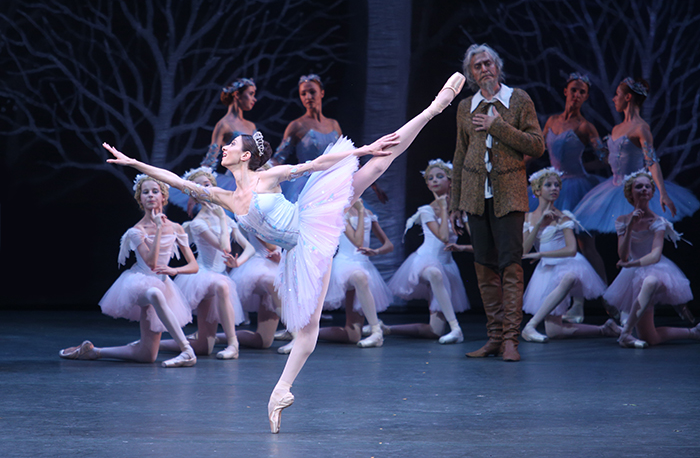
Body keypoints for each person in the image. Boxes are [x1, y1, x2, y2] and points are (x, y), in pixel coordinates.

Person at [102, 71, 465, 433]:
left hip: (311, 219)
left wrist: (361, 150)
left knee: (378, 163)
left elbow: (312, 166)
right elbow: (177, 180)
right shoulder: (225, 196)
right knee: (306, 332)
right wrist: (133, 162)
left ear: (245, 156)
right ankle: (280, 393)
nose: (224, 148)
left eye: (231, 145)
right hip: (298, 251)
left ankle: (434, 107)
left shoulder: (266, 177)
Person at [450, 43, 545, 362]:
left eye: (488, 63)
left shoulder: (518, 100)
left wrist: (498, 126)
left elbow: (537, 145)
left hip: (509, 195)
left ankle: (510, 341)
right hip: (476, 197)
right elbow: (460, 155)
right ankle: (493, 336)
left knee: (510, 266)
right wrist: (455, 202)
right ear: (471, 74)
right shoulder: (466, 106)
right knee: (484, 267)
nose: (484, 69)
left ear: (498, 66)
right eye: (477, 66)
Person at [59, 176, 199, 367]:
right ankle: (187, 350)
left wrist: (174, 269)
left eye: (155, 191)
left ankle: (92, 352)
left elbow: (193, 265)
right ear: (140, 199)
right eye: (145, 192)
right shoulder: (136, 230)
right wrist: (158, 228)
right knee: (154, 292)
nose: (150, 195)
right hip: (140, 283)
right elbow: (150, 262)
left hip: (164, 285)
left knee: (147, 355)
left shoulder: (176, 228)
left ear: (163, 197)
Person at [574, 77, 699, 233]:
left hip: (636, 190)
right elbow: (610, 160)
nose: (614, 98)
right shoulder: (617, 129)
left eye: (617, 94)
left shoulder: (641, 128)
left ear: (628, 97)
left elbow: (651, 162)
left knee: (636, 234)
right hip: (614, 187)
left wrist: (663, 193)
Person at [535, 73, 608, 323]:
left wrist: (584, 168)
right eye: (574, 90)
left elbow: (604, 158)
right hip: (554, 187)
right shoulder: (551, 122)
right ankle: (559, 301)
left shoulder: (586, 126)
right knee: (555, 244)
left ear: (586, 97)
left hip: (578, 187)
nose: (577, 95)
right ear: (565, 91)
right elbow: (538, 152)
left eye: (582, 92)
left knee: (585, 245)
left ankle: (600, 300)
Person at [161, 167, 254, 360]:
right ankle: (233, 344)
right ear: (194, 194)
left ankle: (229, 343)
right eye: (200, 186)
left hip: (219, 276)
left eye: (207, 184)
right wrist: (221, 217)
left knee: (204, 347)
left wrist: (238, 263)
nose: (205, 188)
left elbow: (249, 248)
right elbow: (225, 248)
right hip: (202, 277)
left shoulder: (226, 219)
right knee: (221, 285)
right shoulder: (198, 223)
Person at [520, 168, 617, 342]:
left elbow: (572, 250)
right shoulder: (528, 218)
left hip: (567, 264)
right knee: (554, 331)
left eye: (557, 185)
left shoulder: (563, 217)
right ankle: (604, 329)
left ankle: (530, 326)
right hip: (546, 271)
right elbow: (524, 250)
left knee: (569, 277)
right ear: (537, 191)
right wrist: (539, 223)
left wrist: (541, 253)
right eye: (548, 185)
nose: (554, 188)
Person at [604, 171, 698, 348]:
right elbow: (622, 255)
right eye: (639, 186)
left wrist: (631, 264)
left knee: (650, 281)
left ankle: (625, 334)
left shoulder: (658, 221)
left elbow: (655, 256)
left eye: (647, 186)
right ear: (630, 192)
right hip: (633, 274)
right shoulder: (623, 220)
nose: (644, 189)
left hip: (657, 269)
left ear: (652, 192)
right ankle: (693, 333)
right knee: (650, 337)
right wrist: (630, 226)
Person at [385, 159, 470, 344]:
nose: (434, 180)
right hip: (425, 261)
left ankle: (387, 329)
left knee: (435, 331)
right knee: (434, 273)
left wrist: (464, 247)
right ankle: (456, 328)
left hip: (446, 265)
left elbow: (476, 242)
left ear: (450, 181)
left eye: (440, 176)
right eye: (430, 178)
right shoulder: (426, 210)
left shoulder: (461, 211)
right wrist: (444, 208)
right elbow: (444, 237)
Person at [308, 198, 394, 350]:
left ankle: (306, 333)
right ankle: (376, 331)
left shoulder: (369, 214)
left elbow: (389, 245)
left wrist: (377, 251)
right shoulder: (339, 213)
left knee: (353, 335)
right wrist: (360, 211)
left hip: (363, 264)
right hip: (345, 264)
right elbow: (358, 241)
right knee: (359, 277)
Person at [170, 78, 257, 215]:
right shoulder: (224, 124)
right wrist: (196, 188)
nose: (254, 99)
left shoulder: (251, 126)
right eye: (251, 94)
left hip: (254, 177)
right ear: (237, 95)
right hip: (235, 180)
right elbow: (211, 158)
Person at [269, 74, 342, 203]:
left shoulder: (333, 124)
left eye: (312, 92)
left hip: (333, 183)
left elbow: (346, 155)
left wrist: (372, 183)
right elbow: (279, 158)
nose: (308, 97)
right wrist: (261, 170)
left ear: (322, 93)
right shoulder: (296, 126)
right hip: (307, 185)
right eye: (303, 94)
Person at [228, 234, 283, 350]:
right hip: (261, 265)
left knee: (264, 341)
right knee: (273, 282)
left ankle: (219, 337)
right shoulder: (255, 218)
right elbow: (270, 244)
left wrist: (280, 254)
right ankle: (296, 335)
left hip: (279, 265)